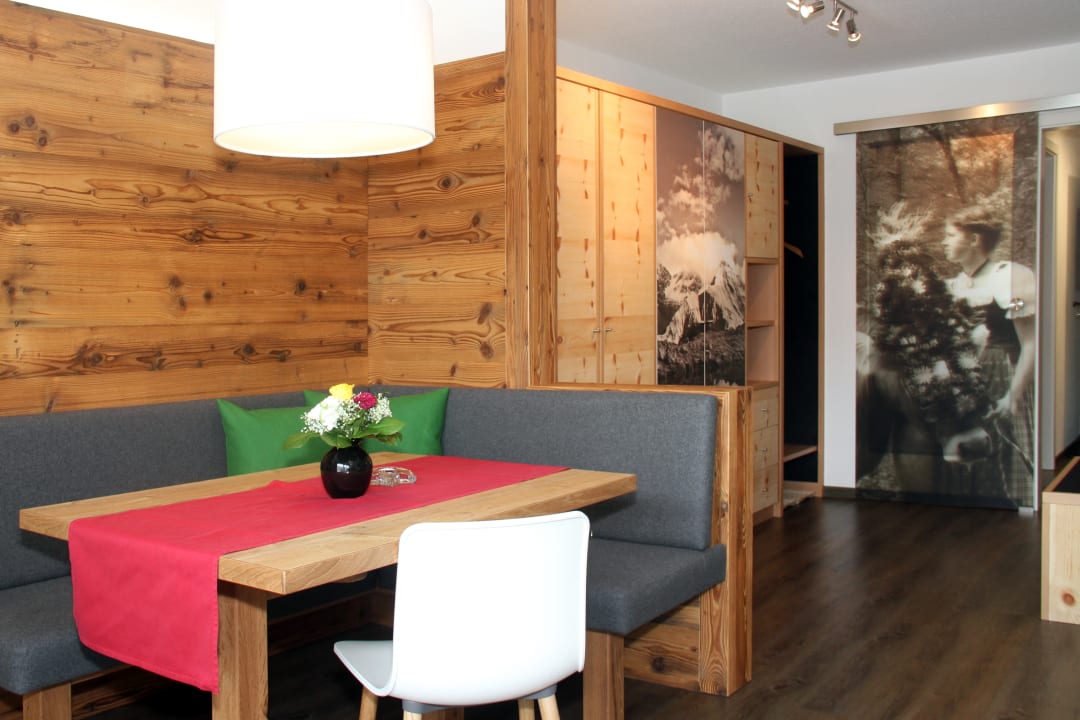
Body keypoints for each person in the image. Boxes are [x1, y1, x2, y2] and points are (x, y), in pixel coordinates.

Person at [942, 204, 1036, 506]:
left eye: (950, 235)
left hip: (1005, 372)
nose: (944, 241)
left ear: (974, 239)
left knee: (1010, 451)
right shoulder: (951, 286)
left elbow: (1031, 343)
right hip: (966, 381)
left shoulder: (1009, 277)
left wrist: (1013, 395)